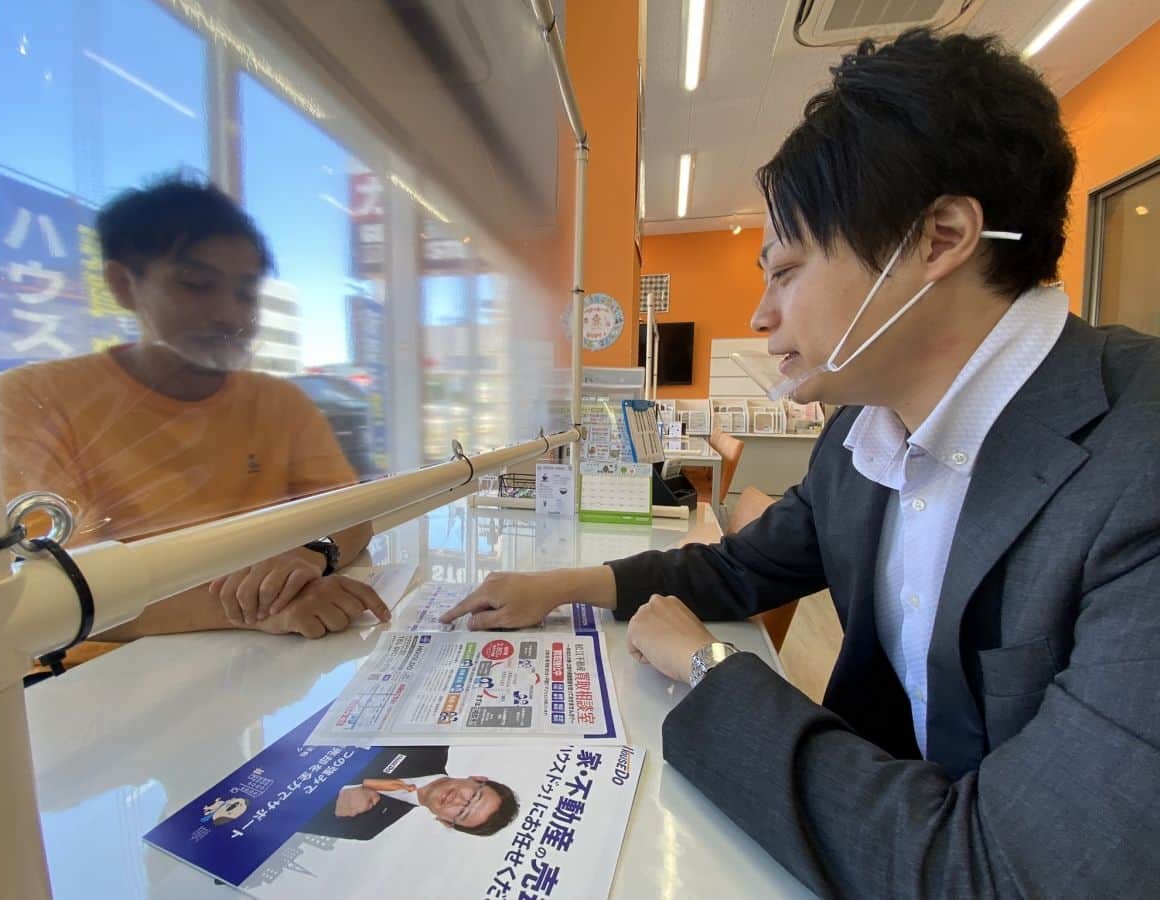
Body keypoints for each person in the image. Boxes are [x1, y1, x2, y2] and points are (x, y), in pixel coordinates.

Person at [442, 29, 1160, 897]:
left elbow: (1004, 875)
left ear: (939, 238)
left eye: (785, 270)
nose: (759, 314)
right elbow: (742, 567)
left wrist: (711, 672)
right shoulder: (866, 434)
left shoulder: (1138, 460)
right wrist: (562, 585)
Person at [0, 174, 387, 643]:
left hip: (265, 661)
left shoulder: (278, 401)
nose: (229, 313)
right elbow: (47, 588)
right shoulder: (33, 398)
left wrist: (313, 552)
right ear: (124, 285)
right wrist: (261, 608)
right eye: (195, 284)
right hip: (99, 674)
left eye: (245, 292)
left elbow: (349, 515)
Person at [300, 746, 518, 841]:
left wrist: (339, 793)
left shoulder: (365, 828)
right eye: (473, 797)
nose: (458, 801)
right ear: (477, 779)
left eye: (461, 813)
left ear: (445, 822)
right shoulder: (429, 741)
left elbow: (281, 819)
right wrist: (349, 785)